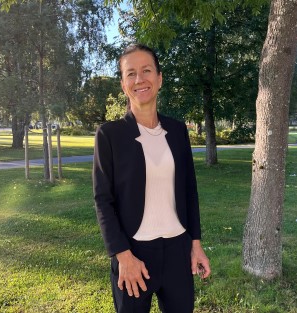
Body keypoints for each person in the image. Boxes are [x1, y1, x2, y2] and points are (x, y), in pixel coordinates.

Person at [93, 43, 211, 313]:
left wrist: (195, 244)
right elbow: (103, 200)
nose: (139, 79)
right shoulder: (109, 135)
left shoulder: (178, 130)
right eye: (131, 73)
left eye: (146, 70)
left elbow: (189, 191)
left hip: (178, 252)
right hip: (133, 255)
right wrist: (122, 255)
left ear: (159, 78)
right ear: (124, 85)